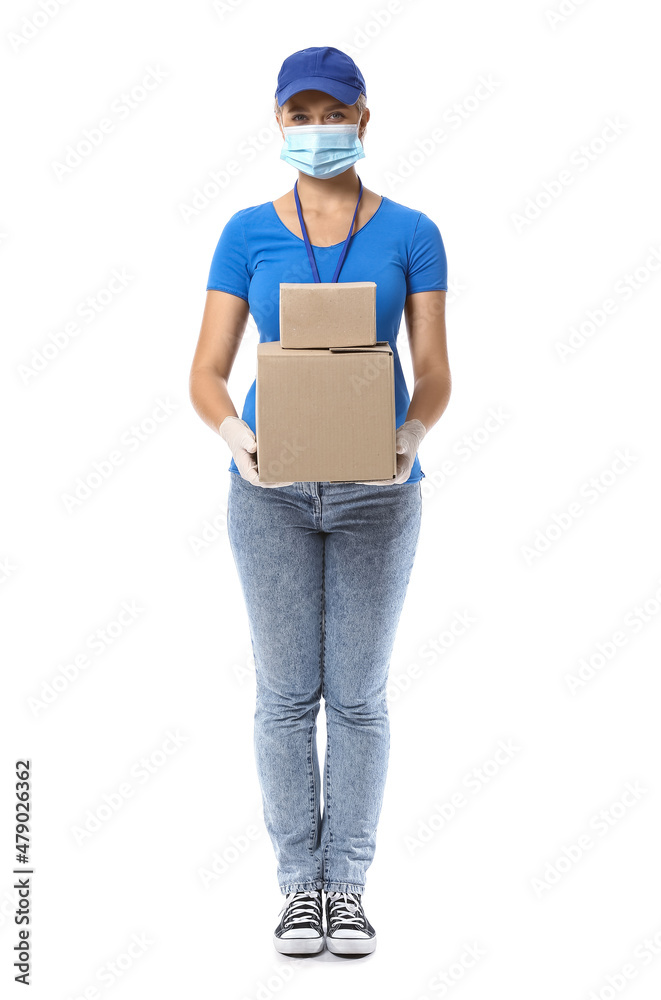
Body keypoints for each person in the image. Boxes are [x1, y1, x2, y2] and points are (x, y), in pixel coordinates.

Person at [189, 45, 451, 958]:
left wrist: (407, 439)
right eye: (298, 117)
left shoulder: (412, 232)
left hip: (379, 495)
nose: (315, 131)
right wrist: (240, 441)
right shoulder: (246, 233)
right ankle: (299, 889)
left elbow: (435, 374)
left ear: (363, 119)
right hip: (269, 493)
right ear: (278, 124)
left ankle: (349, 887)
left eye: (329, 114)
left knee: (359, 698)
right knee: (284, 696)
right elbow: (206, 376)